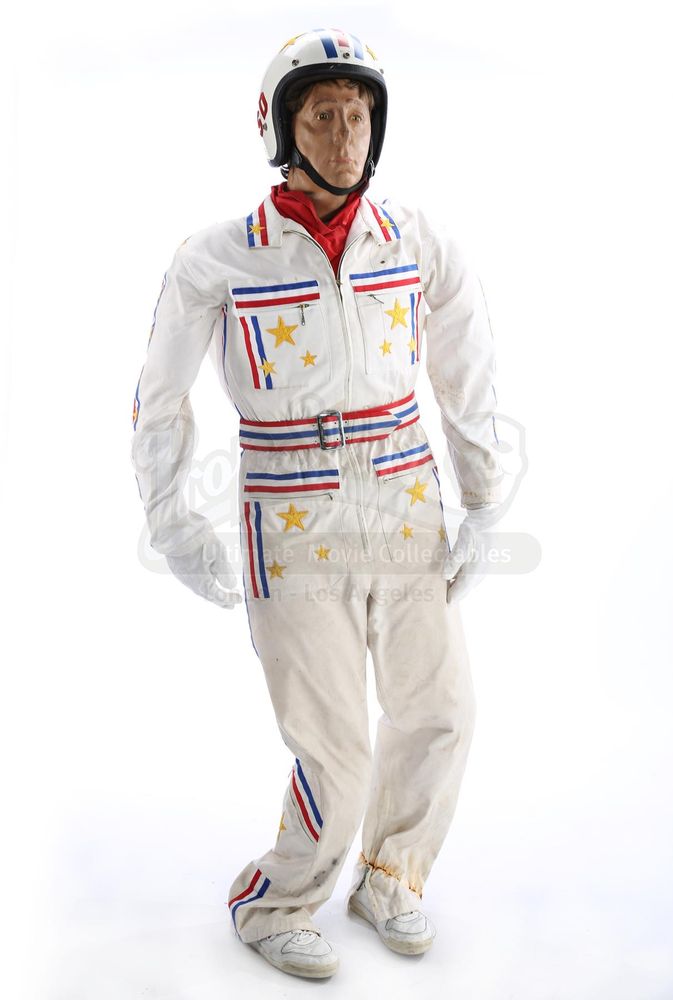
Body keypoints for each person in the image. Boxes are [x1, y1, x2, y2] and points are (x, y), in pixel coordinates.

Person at [130, 28, 504, 980]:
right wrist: (174, 523)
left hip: (404, 498)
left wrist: (482, 495)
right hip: (290, 513)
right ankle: (275, 901)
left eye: (358, 117)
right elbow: (160, 399)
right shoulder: (220, 257)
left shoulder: (412, 239)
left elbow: (464, 360)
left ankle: (388, 875)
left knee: (441, 709)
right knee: (334, 746)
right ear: (280, 129)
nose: (344, 138)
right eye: (323, 117)